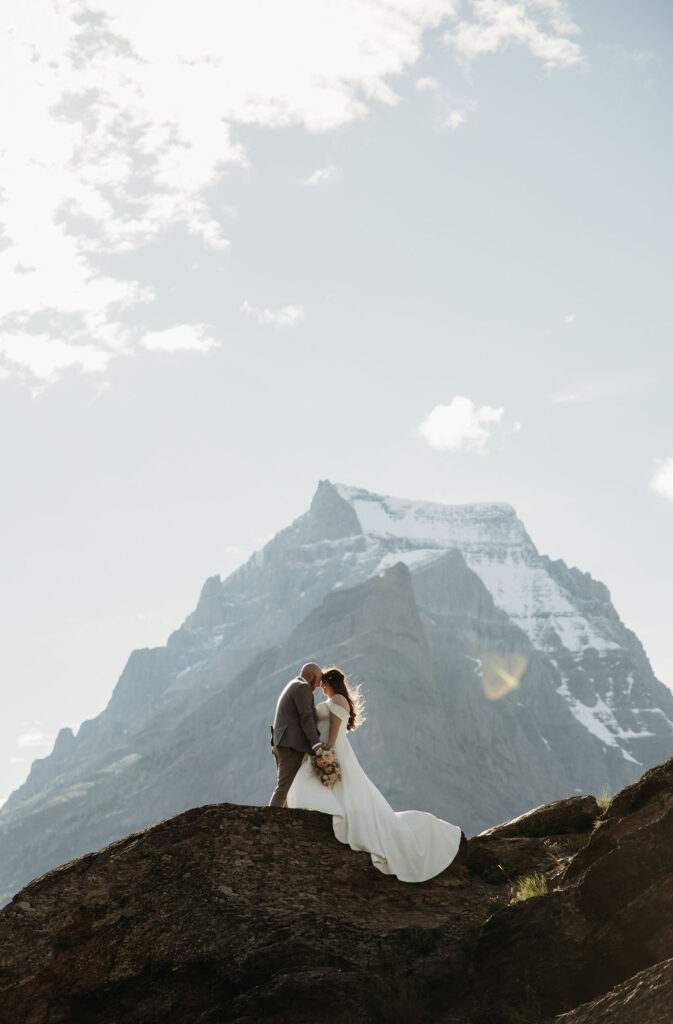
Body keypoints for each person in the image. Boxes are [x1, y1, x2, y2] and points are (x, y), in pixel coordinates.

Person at [287, 666, 463, 883]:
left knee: (344, 789)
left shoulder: (339, 700)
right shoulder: (336, 700)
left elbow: (334, 729)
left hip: (333, 750)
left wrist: (328, 750)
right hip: (324, 749)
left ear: (330, 683)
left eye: (323, 683)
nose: (321, 687)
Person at [269, 662, 325, 808]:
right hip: (291, 744)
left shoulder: (293, 684)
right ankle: (266, 823)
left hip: (282, 741)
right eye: (318, 681)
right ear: (311, 675)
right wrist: (316, 744)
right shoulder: (302, 687)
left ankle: (280, 823)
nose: (318, 686)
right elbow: (306, 717)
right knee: (284, 788)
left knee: (287, 787)